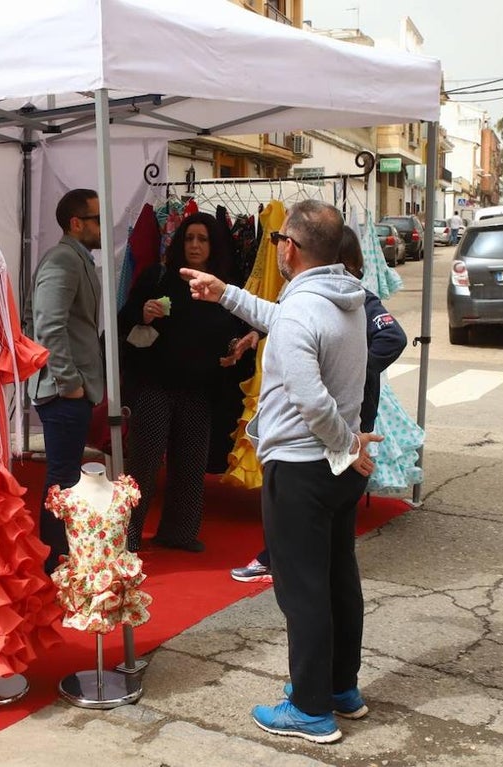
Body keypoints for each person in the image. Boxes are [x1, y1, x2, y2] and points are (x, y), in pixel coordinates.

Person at [181, 199, 383, 744]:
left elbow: (311, 400)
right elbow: (285, 323)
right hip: (333, 469)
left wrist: (345, 445)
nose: (275, 247)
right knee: (337, 579)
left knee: (303, 591)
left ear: (289, 247)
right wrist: (225, 292)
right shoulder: (343, 297)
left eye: (276, 240)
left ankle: (311, 709)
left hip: (303, 467)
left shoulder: (304, 309)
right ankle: (340, 688)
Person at [230, 224, 407, 584]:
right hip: (326, 433)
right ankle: (288, 557)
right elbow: (281, 318)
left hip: (333, 430)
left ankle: (287, 559)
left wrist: (357, 368)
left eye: (282, 241)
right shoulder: (309, 301)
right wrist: (233, 303)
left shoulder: (357, 300)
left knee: (311, 558)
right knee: (331, 558)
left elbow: (392, 336)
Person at [117, 212, 254, 553]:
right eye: (190, 238)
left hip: (200, 388)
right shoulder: (159, 277)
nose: (195, 245)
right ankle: (128, 535)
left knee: (191, 464)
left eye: (202, 239)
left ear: (213, 245)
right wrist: (143, 313)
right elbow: (123, 320)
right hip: (155, 384)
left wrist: (234, 349)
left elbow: (235, 331)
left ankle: (179, 532)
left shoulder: (224, 286)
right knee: (144, 463)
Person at [29, 189, 106, 573]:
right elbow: (48, 325)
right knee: (62, 478)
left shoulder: (76, 258)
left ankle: (60, 555)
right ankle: (54, 559)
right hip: (62, 392)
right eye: (96, 219)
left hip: (71, 390)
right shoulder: (63, 259)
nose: (102, 227)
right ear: (77, 223)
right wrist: (69, 382)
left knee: (67, 475)